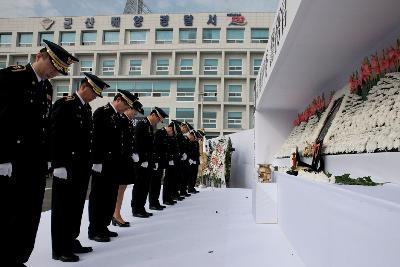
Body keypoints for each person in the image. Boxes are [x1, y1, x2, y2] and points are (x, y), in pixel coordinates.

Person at [0, 39, 78, 267]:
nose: (55, 73)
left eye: (59, 70)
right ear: (39, 57)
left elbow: (44, 128)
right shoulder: (10, 77)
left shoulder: (46, 87)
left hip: (34, 164)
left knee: (29, 216)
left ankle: (19, 259)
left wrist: (49, 159)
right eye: (53, 66)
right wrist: (2, 157)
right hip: (11, 162)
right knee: (8, 215)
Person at [49, 73, 106, 262]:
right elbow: (55, 134)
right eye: (95, 93)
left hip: (81, 166)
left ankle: (71, 240)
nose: (96, 97)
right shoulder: (65, 103)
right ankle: (59, 248)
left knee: (76, 206)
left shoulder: (86, 108)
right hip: (66, 166)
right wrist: (57, 164)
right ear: (84, 87)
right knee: (62, 208)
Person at [88, 89, 138, 242]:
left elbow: (120, 142)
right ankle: (94, 229)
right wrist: (96, 161)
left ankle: (103, 226)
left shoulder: (117, 117)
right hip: (103, 164)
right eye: (126, 105)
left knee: (109, 197)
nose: (126, 109)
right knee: (99, 197)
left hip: (115, 164)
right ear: (118, 100)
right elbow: (96, 138)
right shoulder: (102, 113)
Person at [131, 107, 168, 218]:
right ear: (153, 114)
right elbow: (138, 143)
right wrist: (142, 160)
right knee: (139, 186)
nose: (158, 121)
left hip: (148, 161)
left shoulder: (149, 126)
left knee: (145, 186)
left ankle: (141, 208)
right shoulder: (142, 124)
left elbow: (150, 146)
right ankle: (136, 209)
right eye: (158, 118)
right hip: (142, 162)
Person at [112, 99, 144, 227]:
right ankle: (115, 214)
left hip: (126, 160)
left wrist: (134, 152)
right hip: (120, 160)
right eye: (134, 113)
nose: (134, 115)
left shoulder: (128, 122)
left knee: (122, 188)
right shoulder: (120, 120)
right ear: (129, 108)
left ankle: (116, 213)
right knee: (118, 188)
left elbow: (131, 141)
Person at [149, 121, 176, 210]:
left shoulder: (164, 134)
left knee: (157, 184)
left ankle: (156, 202)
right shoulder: (159, 133)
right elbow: (155, 148)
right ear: (170, 129)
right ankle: (152, 203)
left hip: (161, 162)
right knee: (154, 184)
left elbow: (165, 149)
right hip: (157, 162)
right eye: (172, 132)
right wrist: (155, 161)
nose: (172, 134)